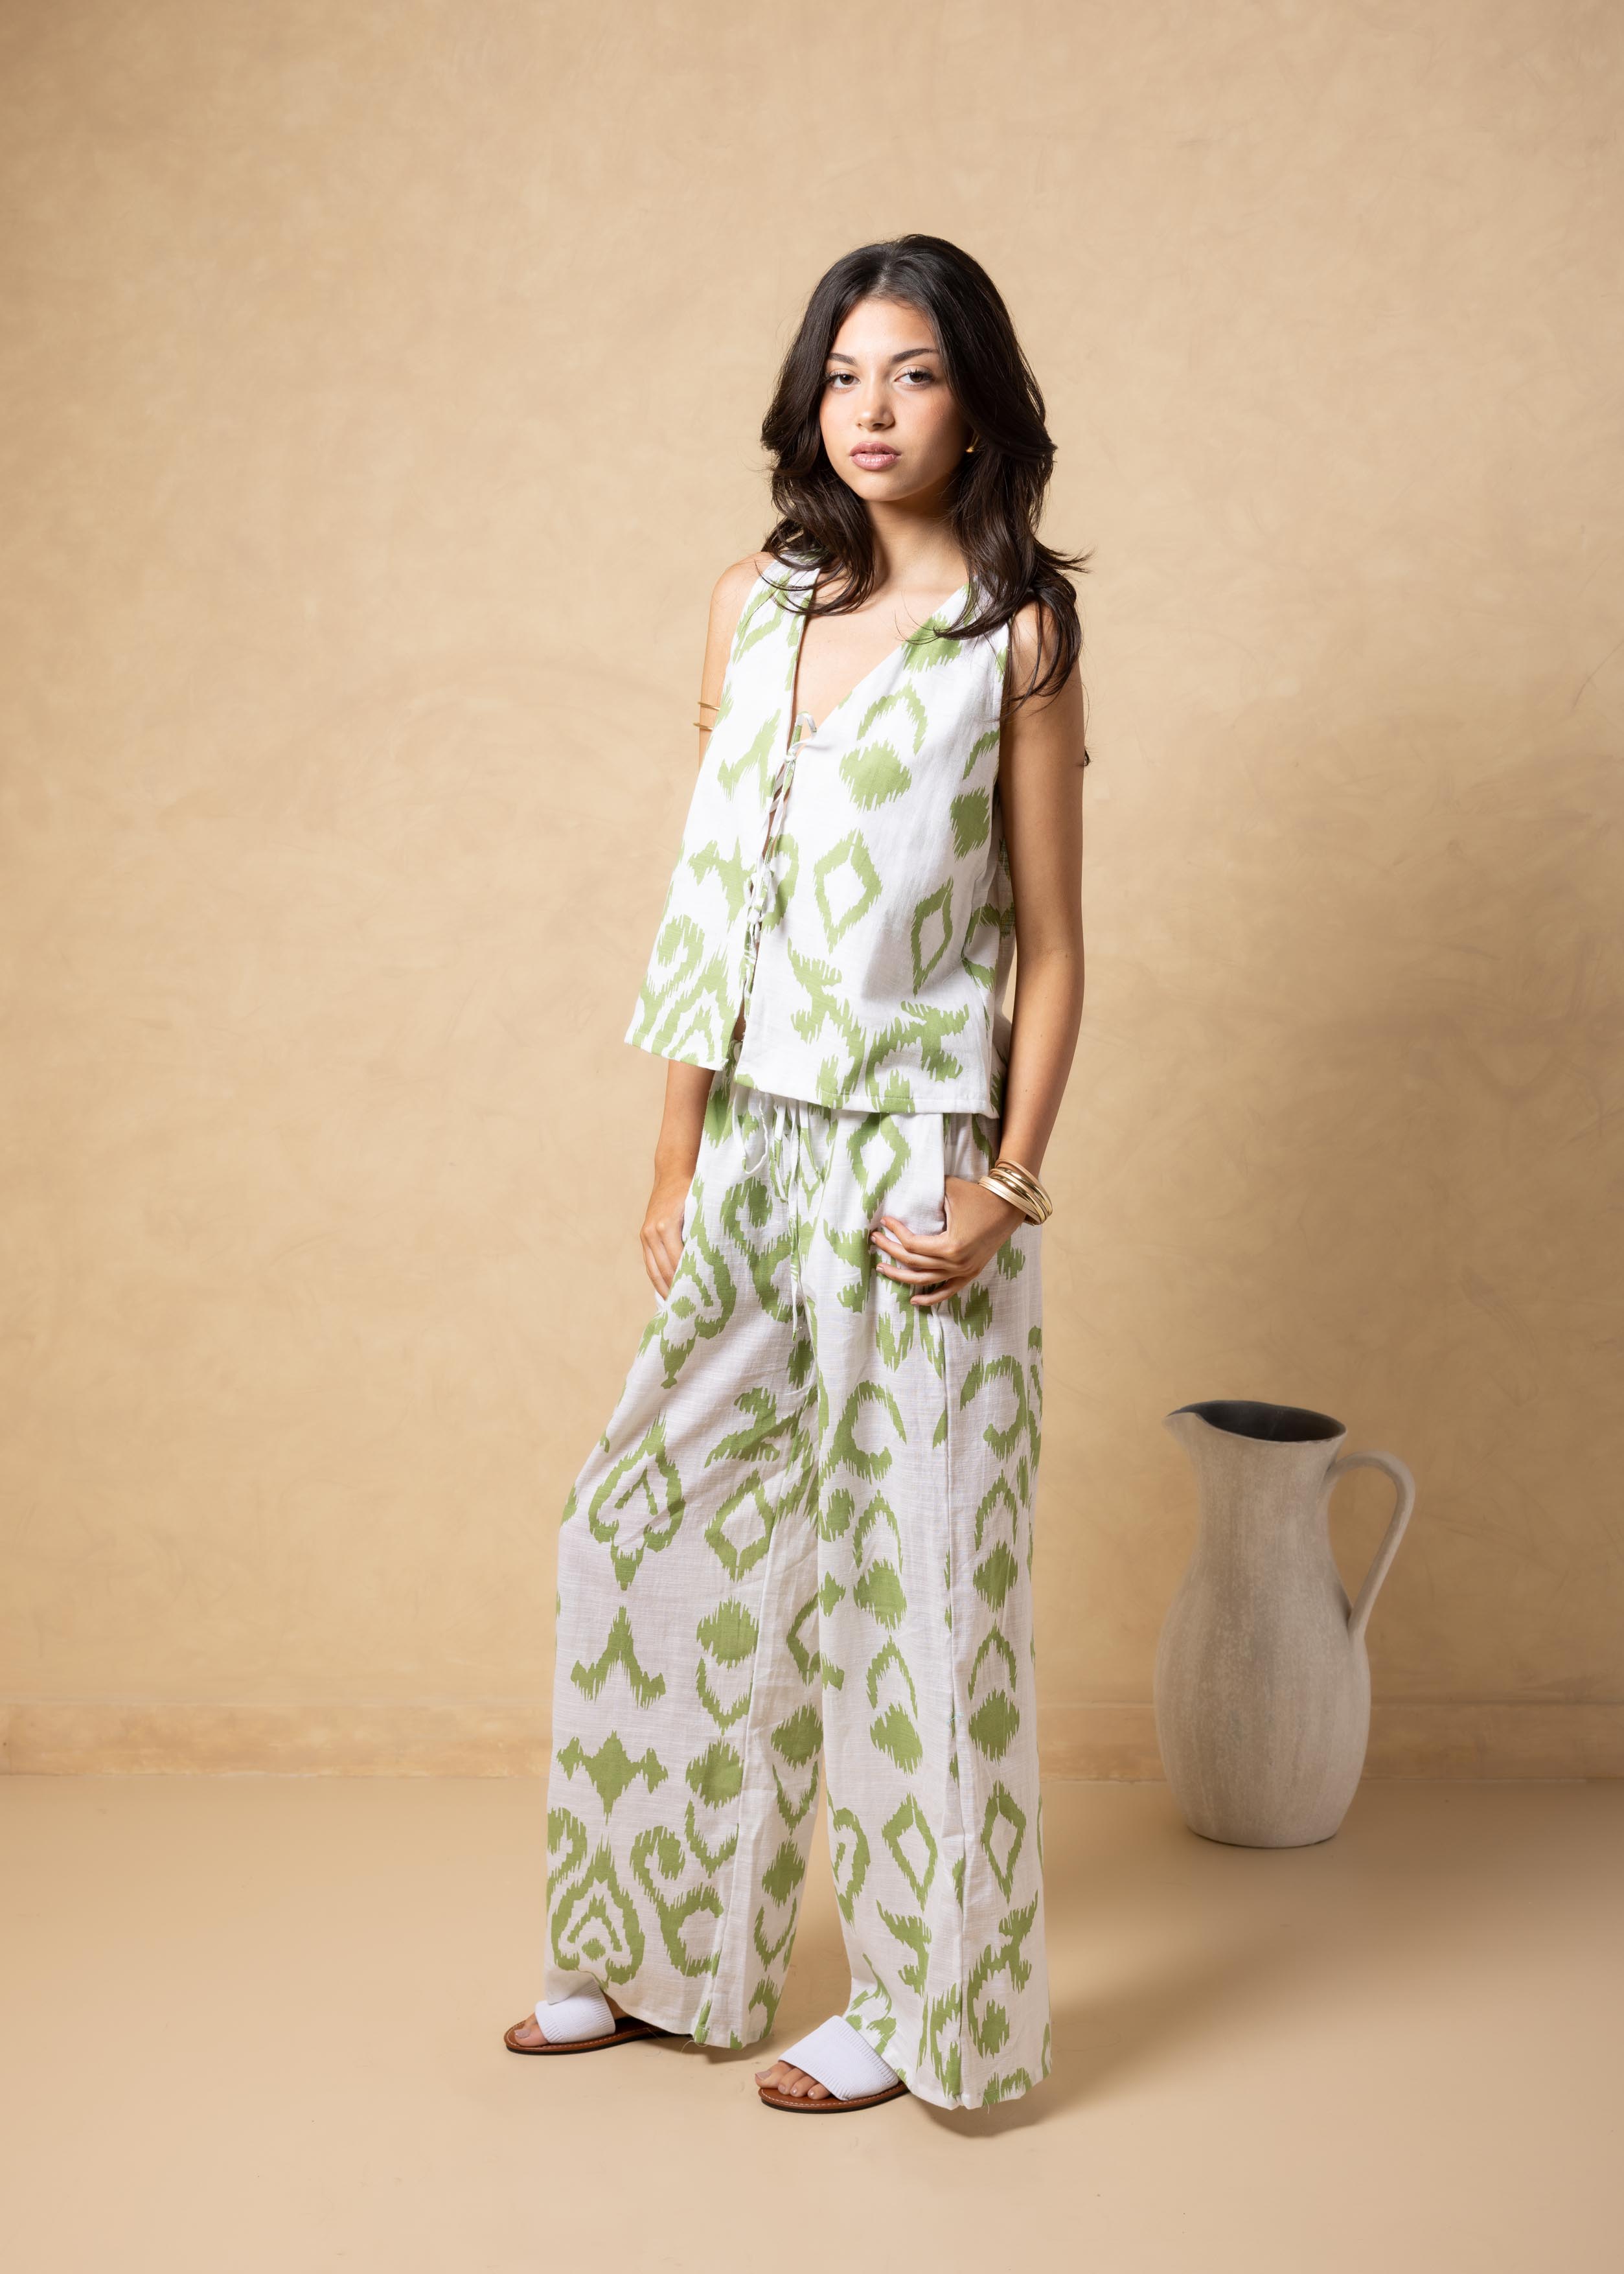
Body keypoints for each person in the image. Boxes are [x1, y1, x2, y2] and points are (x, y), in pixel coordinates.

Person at [505, 233, 1090, 2113]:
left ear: (976, 403)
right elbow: (711, 899)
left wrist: (1005, 1187)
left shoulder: (1012, 635)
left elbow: (1055, 944)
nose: (871, 410)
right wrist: (673, 1147)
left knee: (917, 1590)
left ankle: (929, 2020)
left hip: (915, 1166)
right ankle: (658, 1955)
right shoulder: (747, 607)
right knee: (647, 1523)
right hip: (750, 1143)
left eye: (912, 373)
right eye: (844, 373)